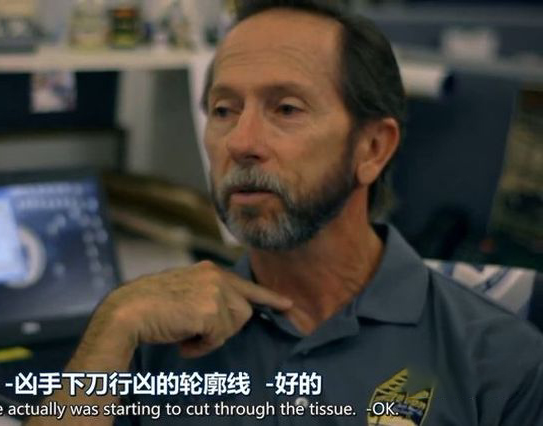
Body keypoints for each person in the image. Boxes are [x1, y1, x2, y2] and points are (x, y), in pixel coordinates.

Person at [28, 1, 543, 424]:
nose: (241, 142)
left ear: (372, 149)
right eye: (224, 110)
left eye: (287, 109)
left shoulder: (498, 359)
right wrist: (115, 325)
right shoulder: (158, 336)